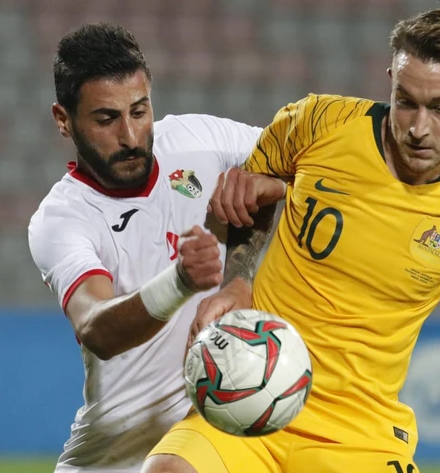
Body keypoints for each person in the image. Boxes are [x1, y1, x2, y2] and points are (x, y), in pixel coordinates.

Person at [143, 8, 440, 473]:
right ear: (390, 81)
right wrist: (239, 280)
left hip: (362, 431)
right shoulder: (319, 122)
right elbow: (256, 189)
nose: (418, 128)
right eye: (406, 101)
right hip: (252, 391)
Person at [28, 23, 264, 473]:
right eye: (106, 119)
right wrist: (179, 282)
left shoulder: (199, 140)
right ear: (63, 119)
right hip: (116, 455)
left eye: (139, 111)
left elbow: (306, 161)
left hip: (206, 442)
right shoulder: (62, 218)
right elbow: (96, 328)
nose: (131, 136)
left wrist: (241, 273)